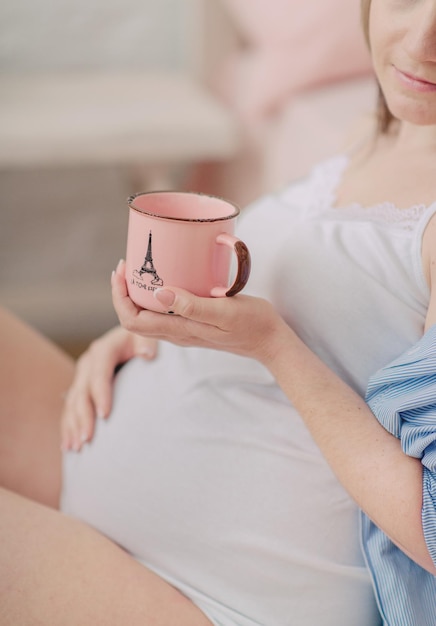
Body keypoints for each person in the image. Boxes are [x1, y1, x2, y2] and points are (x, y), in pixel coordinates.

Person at [1, 0, 436, 624]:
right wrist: (142, 338)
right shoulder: (376, 132)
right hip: (97, 460)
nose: (422, 41)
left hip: (215, 595)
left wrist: (275, 347)